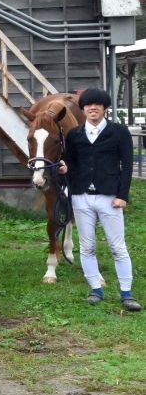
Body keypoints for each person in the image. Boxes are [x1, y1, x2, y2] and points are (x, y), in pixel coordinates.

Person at [61, 88, 141, 312]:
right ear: (83, 109)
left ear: (105, 108)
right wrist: (65, 169)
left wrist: (122, 196)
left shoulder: (119, 132)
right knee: (87, 246)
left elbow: (126, 166)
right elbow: (71, 164)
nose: (92, 108)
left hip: (110, 198)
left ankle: (127, 293)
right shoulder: (74, 135)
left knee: (118, 246)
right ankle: (95, 289)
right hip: (81, 197)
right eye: (88, 105)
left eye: (97, 104)